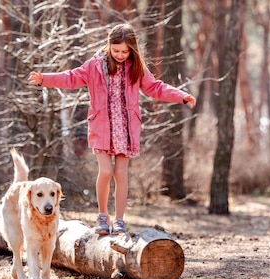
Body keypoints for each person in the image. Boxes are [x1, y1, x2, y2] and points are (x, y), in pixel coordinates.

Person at [27, 23, 196, 235]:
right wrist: (45, 79)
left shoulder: (136, 68)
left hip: (125, 129)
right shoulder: (95, 65)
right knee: (106, 171)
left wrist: (181, 95)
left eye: (125, 51)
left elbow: (155, 87)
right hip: (101, 127)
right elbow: (71, 77)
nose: (120, 55)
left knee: (120, 174)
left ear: (132, 50)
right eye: (116, 50)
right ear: (109, 45)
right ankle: (102, 216)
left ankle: (119, 220)